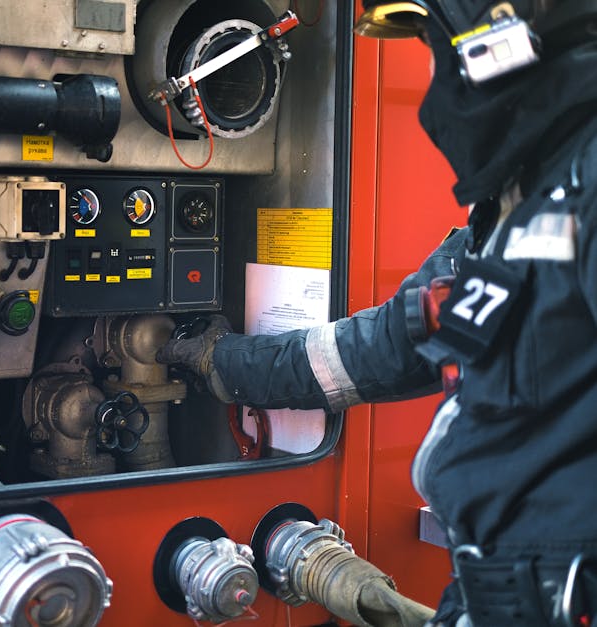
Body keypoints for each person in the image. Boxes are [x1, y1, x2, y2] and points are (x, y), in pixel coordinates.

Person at [157, 1, 597, 625]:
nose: (438, 74)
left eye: (436, 44)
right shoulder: (510, 216)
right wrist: (223, 362)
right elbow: (386, 347)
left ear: (495, 41)